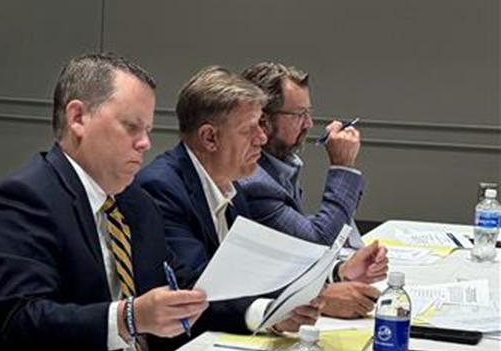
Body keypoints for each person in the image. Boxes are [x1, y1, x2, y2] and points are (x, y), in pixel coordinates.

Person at [0, 53, 252, 351]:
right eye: (131, 127)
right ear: (78, 118)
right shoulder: (22, 200)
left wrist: (268, 310)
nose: (145, 143)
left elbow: (183, 290)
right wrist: (129, 318)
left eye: (148, 130)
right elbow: (21, 322)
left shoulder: (136, 204)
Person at [135, 66, 387, 332]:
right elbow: (197, 291)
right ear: (210, 137)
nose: (262, 138)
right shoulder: (162, 188)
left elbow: (261, 270)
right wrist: (276, 312)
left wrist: (336, 273)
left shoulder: (231, 183)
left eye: (261, 126)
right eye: (249, 129)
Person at [238, 61, 379, 318]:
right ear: (263, 120)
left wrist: (338, 271)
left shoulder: (280, 165)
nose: (309, 123)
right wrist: (342, 167)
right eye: (299, 114)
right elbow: (314, 243)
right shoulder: (253, 180)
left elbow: (291, 255)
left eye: (308, 113)